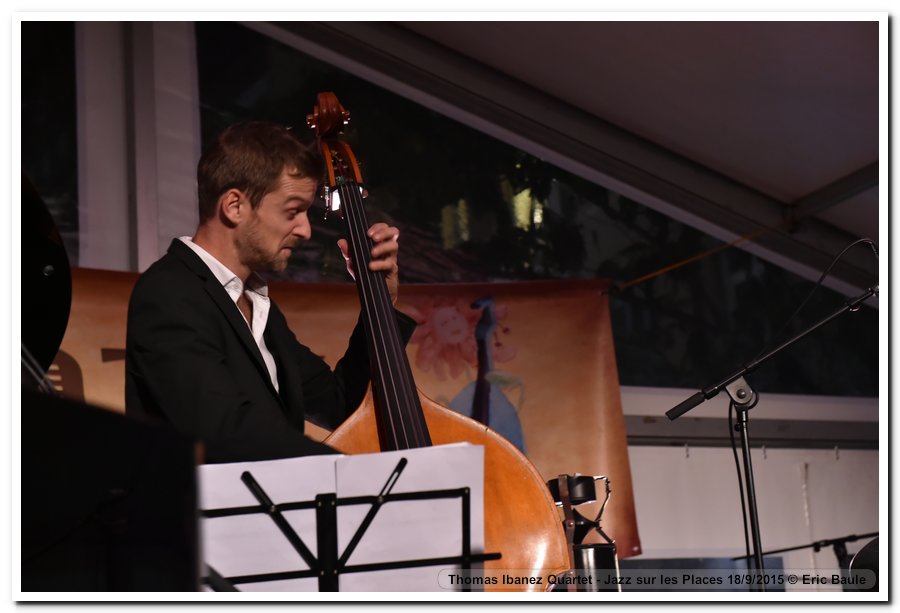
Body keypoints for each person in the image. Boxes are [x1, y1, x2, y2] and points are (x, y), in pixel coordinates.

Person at [125, 121, 415, 463]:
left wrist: (381, 303)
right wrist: (351, 472)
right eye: (293, 211)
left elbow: (342, 404)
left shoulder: (257, 305)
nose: (305, 230)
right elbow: (228, 431)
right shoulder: (169, 294)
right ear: (235, 206)